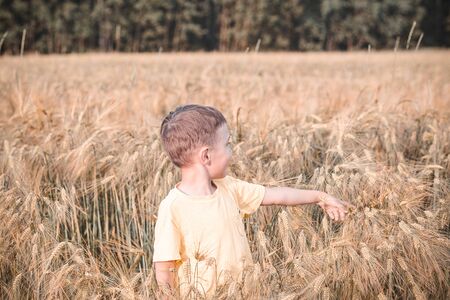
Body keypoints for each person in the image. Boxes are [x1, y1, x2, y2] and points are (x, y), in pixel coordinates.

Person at [153, 104, 351, 299]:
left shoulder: (229, 188)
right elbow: (164, 267)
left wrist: (319, 196)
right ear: (206, 155)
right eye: (227, 144)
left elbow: (278, 196)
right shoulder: (173, 207)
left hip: (245, 292)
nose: (232, 151)